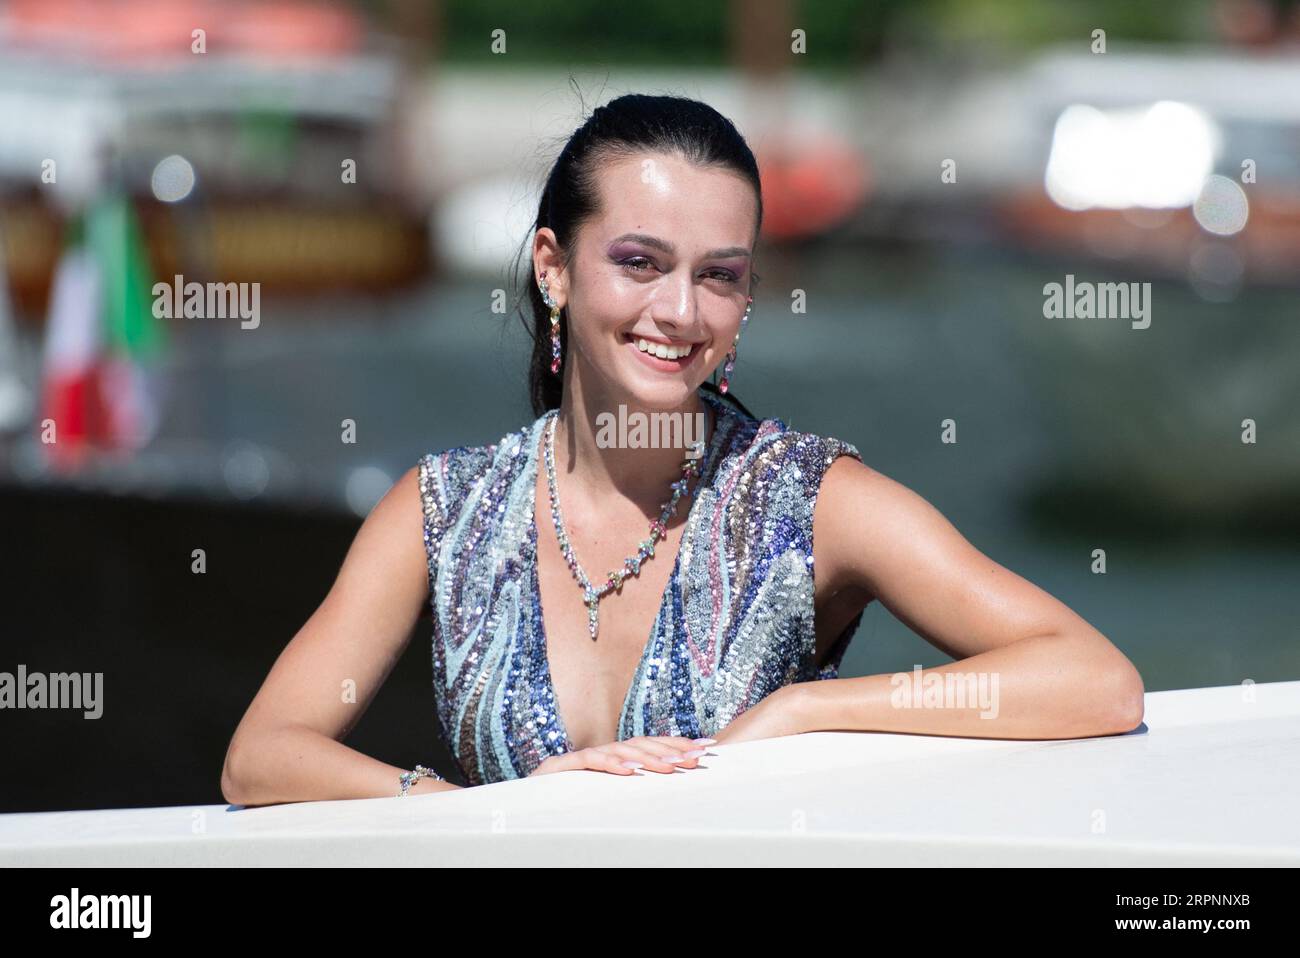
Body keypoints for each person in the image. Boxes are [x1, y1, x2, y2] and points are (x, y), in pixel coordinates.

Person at [221, 93, 1144, 806]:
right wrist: (471, 811)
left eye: (720, 277)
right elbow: (262, 757)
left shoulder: (809, 499)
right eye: (639, 262)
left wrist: (807, 711)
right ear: (553, 267)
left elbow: (1093, 680)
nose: (680, 311)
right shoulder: (443, 510)